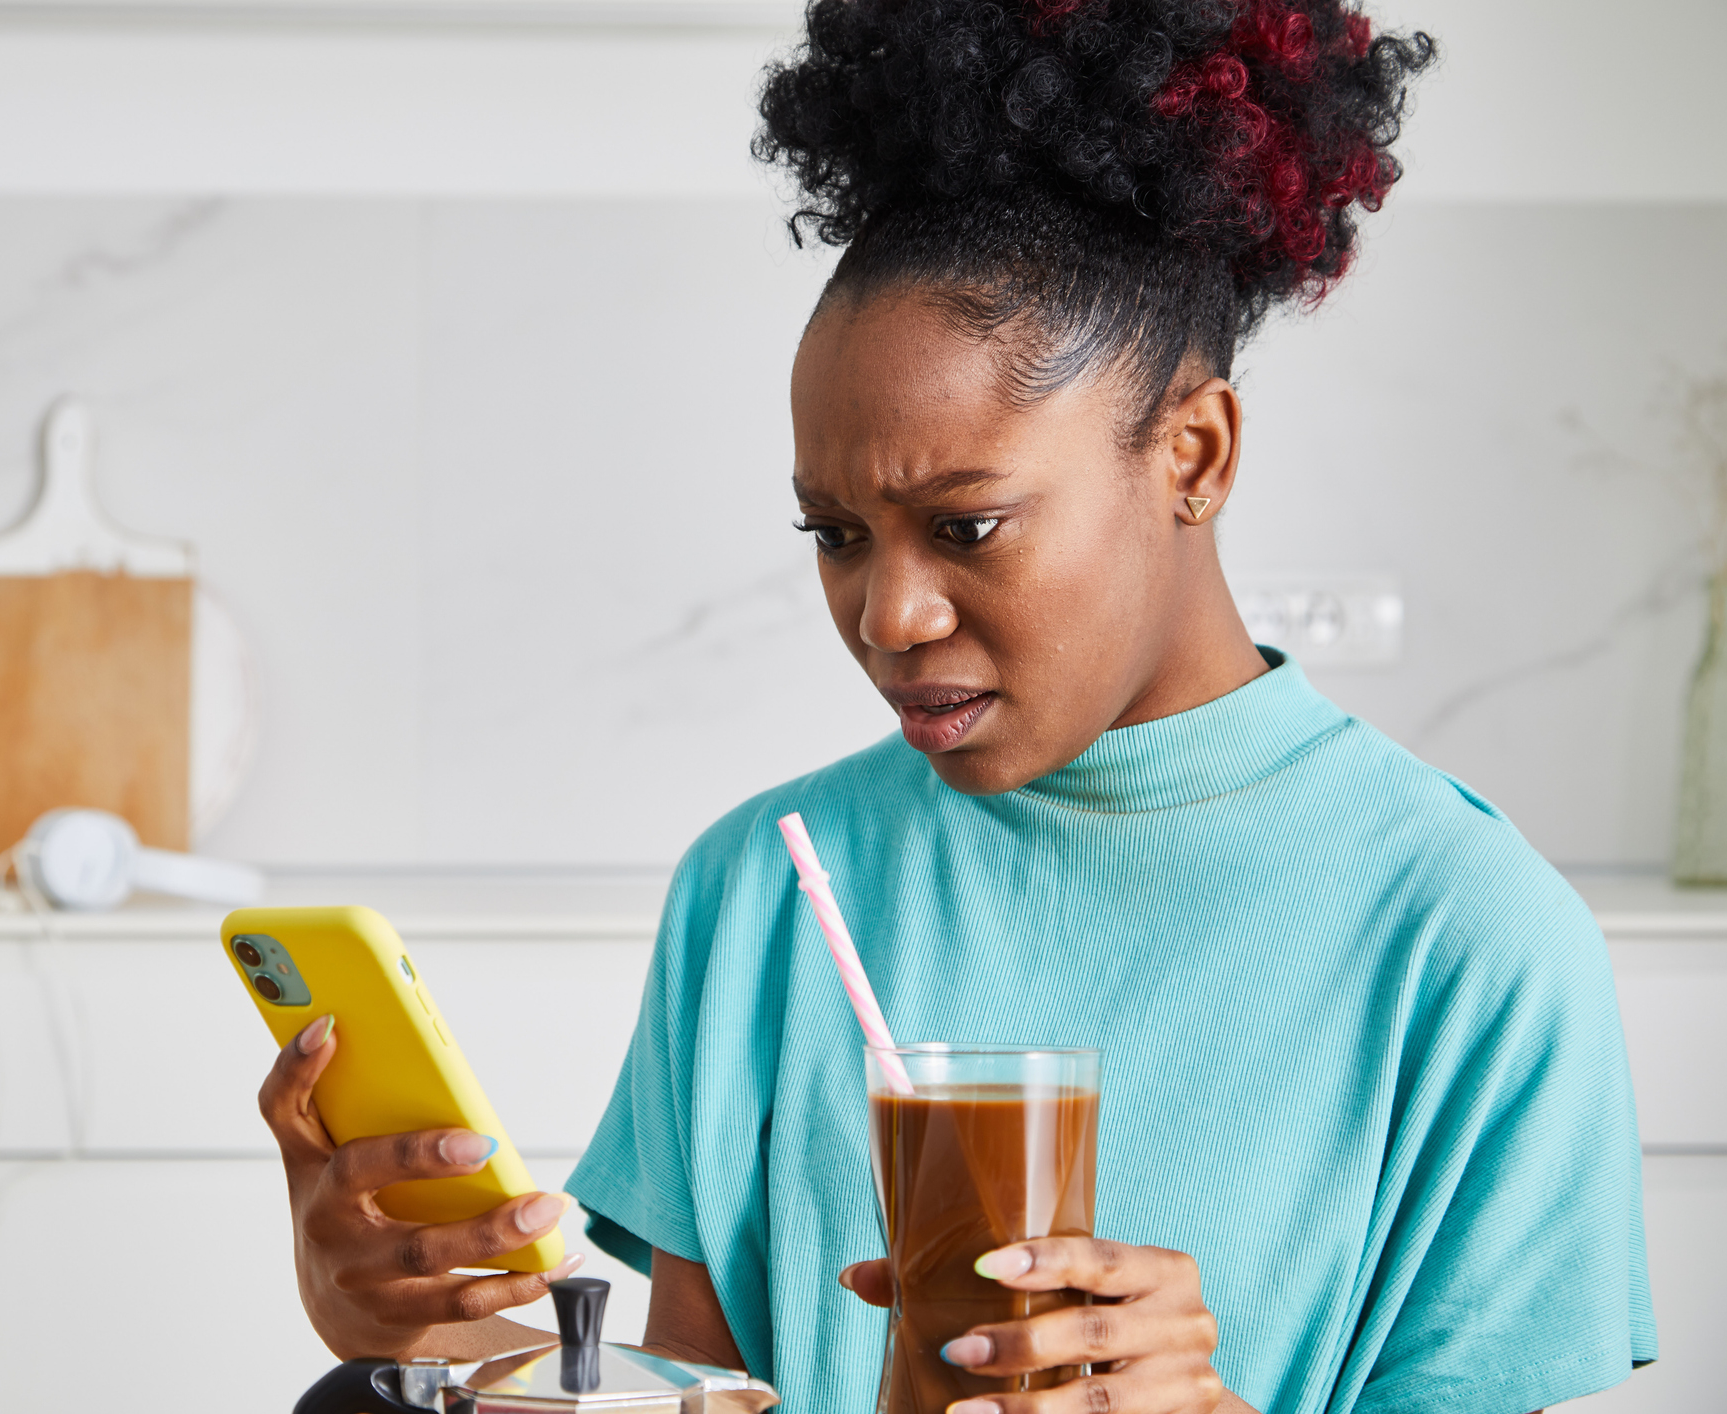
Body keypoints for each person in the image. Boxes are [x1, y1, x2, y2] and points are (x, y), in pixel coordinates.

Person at [256, 1, 1656, 1410]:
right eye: (836, 534)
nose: (887, 616)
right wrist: (419, 1351)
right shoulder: (766, 884)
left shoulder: (1467, 941)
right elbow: (695, 1387)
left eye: (967, 527)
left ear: (1191, 453)